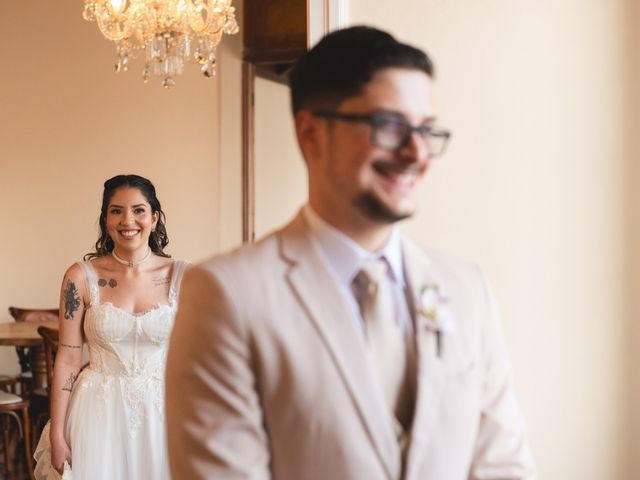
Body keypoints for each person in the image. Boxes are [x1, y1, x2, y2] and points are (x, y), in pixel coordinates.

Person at [165, 26, 535, 480]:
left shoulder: (467, 289)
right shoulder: (226, 294)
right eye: (390, 126)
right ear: (311, 134)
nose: (417, 151)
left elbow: (503, 465)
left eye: (425, 129)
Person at [33, 174, 188, 479]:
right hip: (96, 414)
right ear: (105, 220)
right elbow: (67, 357)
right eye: (116, 211)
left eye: (138, 210)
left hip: (162, 413)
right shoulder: (80, 277)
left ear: (154, 218)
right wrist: (58, 432)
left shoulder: (183, 277)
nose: (127, 219)